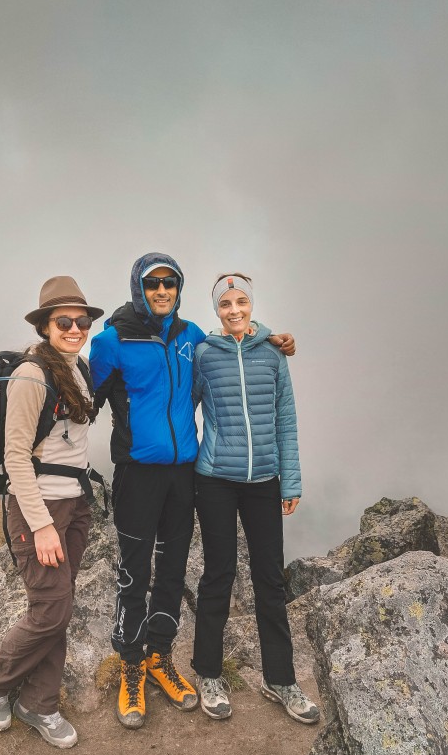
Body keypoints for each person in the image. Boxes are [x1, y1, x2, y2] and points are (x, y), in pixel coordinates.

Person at [89, 253, 296, 730]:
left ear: (178, 290)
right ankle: (132, 667)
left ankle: (161, 657)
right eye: (153, 283)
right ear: (138, 287)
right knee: (134, 573)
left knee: (173, 570)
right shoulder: (111, 341)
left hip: (185, 475)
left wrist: (274, 339)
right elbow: (83, 399)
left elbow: (231, 358)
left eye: (170, 283)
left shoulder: (192, 339)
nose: (162, 290)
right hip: (138, 474)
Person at [0, 276, 104, 748]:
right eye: (63, 321)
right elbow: (14, 458)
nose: (75, 328)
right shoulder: (32, 377)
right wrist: (43, 525)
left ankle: (38, 704)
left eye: (82, 320)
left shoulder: (79, 368)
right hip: (38, 508)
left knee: (59, 605)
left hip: (74, 503)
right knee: (50, 609)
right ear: (46, 326)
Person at [191, 273, 319, 725]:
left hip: (265, 478)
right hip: (216, 481)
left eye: (241, 301)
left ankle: (280, 679)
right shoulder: (204, 354)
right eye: (225, 303)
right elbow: (181, 409)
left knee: (269, 578)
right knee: (218, 574)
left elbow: (287, 420)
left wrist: (291, 481)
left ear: (251, 304)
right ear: (217, 310)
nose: (234, 310)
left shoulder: (273, 354)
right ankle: (208, 673)